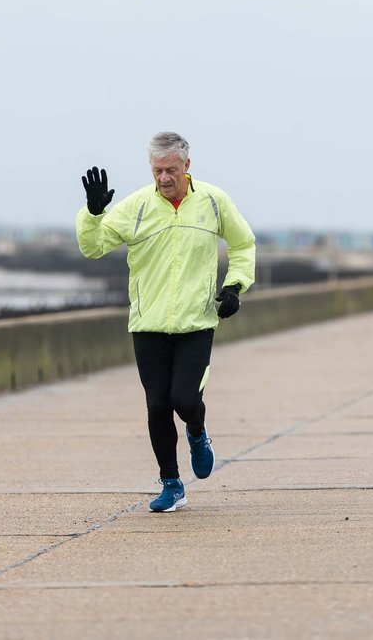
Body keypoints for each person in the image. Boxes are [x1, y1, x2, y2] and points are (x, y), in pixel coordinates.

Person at [75, 132, 256, 512]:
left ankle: (197, 429)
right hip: (148, 324)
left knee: (184, 400)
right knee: (157, 405)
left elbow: (243, 243)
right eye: (157, 170)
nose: (163, 178)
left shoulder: (212, 201)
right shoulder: (137, 207)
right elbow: (93, 248)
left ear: (187, 166)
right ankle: (171, 484)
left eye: (171, 169)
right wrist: (93, 214)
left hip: (196, 322)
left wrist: (236, 285)